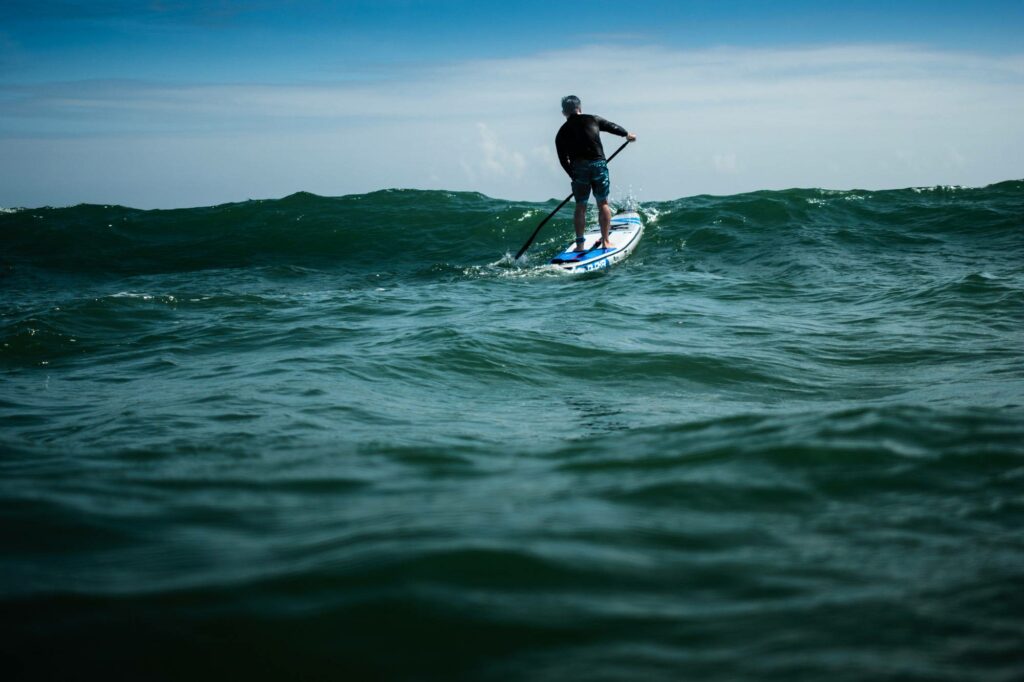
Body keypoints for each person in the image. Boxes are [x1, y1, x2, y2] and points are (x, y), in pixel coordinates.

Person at [555, 95, 636, 251]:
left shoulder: (562, 132)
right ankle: (606, 241)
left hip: (578, 168)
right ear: (579, 108)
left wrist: (573, 175)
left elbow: (562, 160)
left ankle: (580, 246)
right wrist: (626, 134)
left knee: (580, 206)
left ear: (564, 112)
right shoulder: (593, 119)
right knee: (603, 203)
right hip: (598, 164)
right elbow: (611, 126)